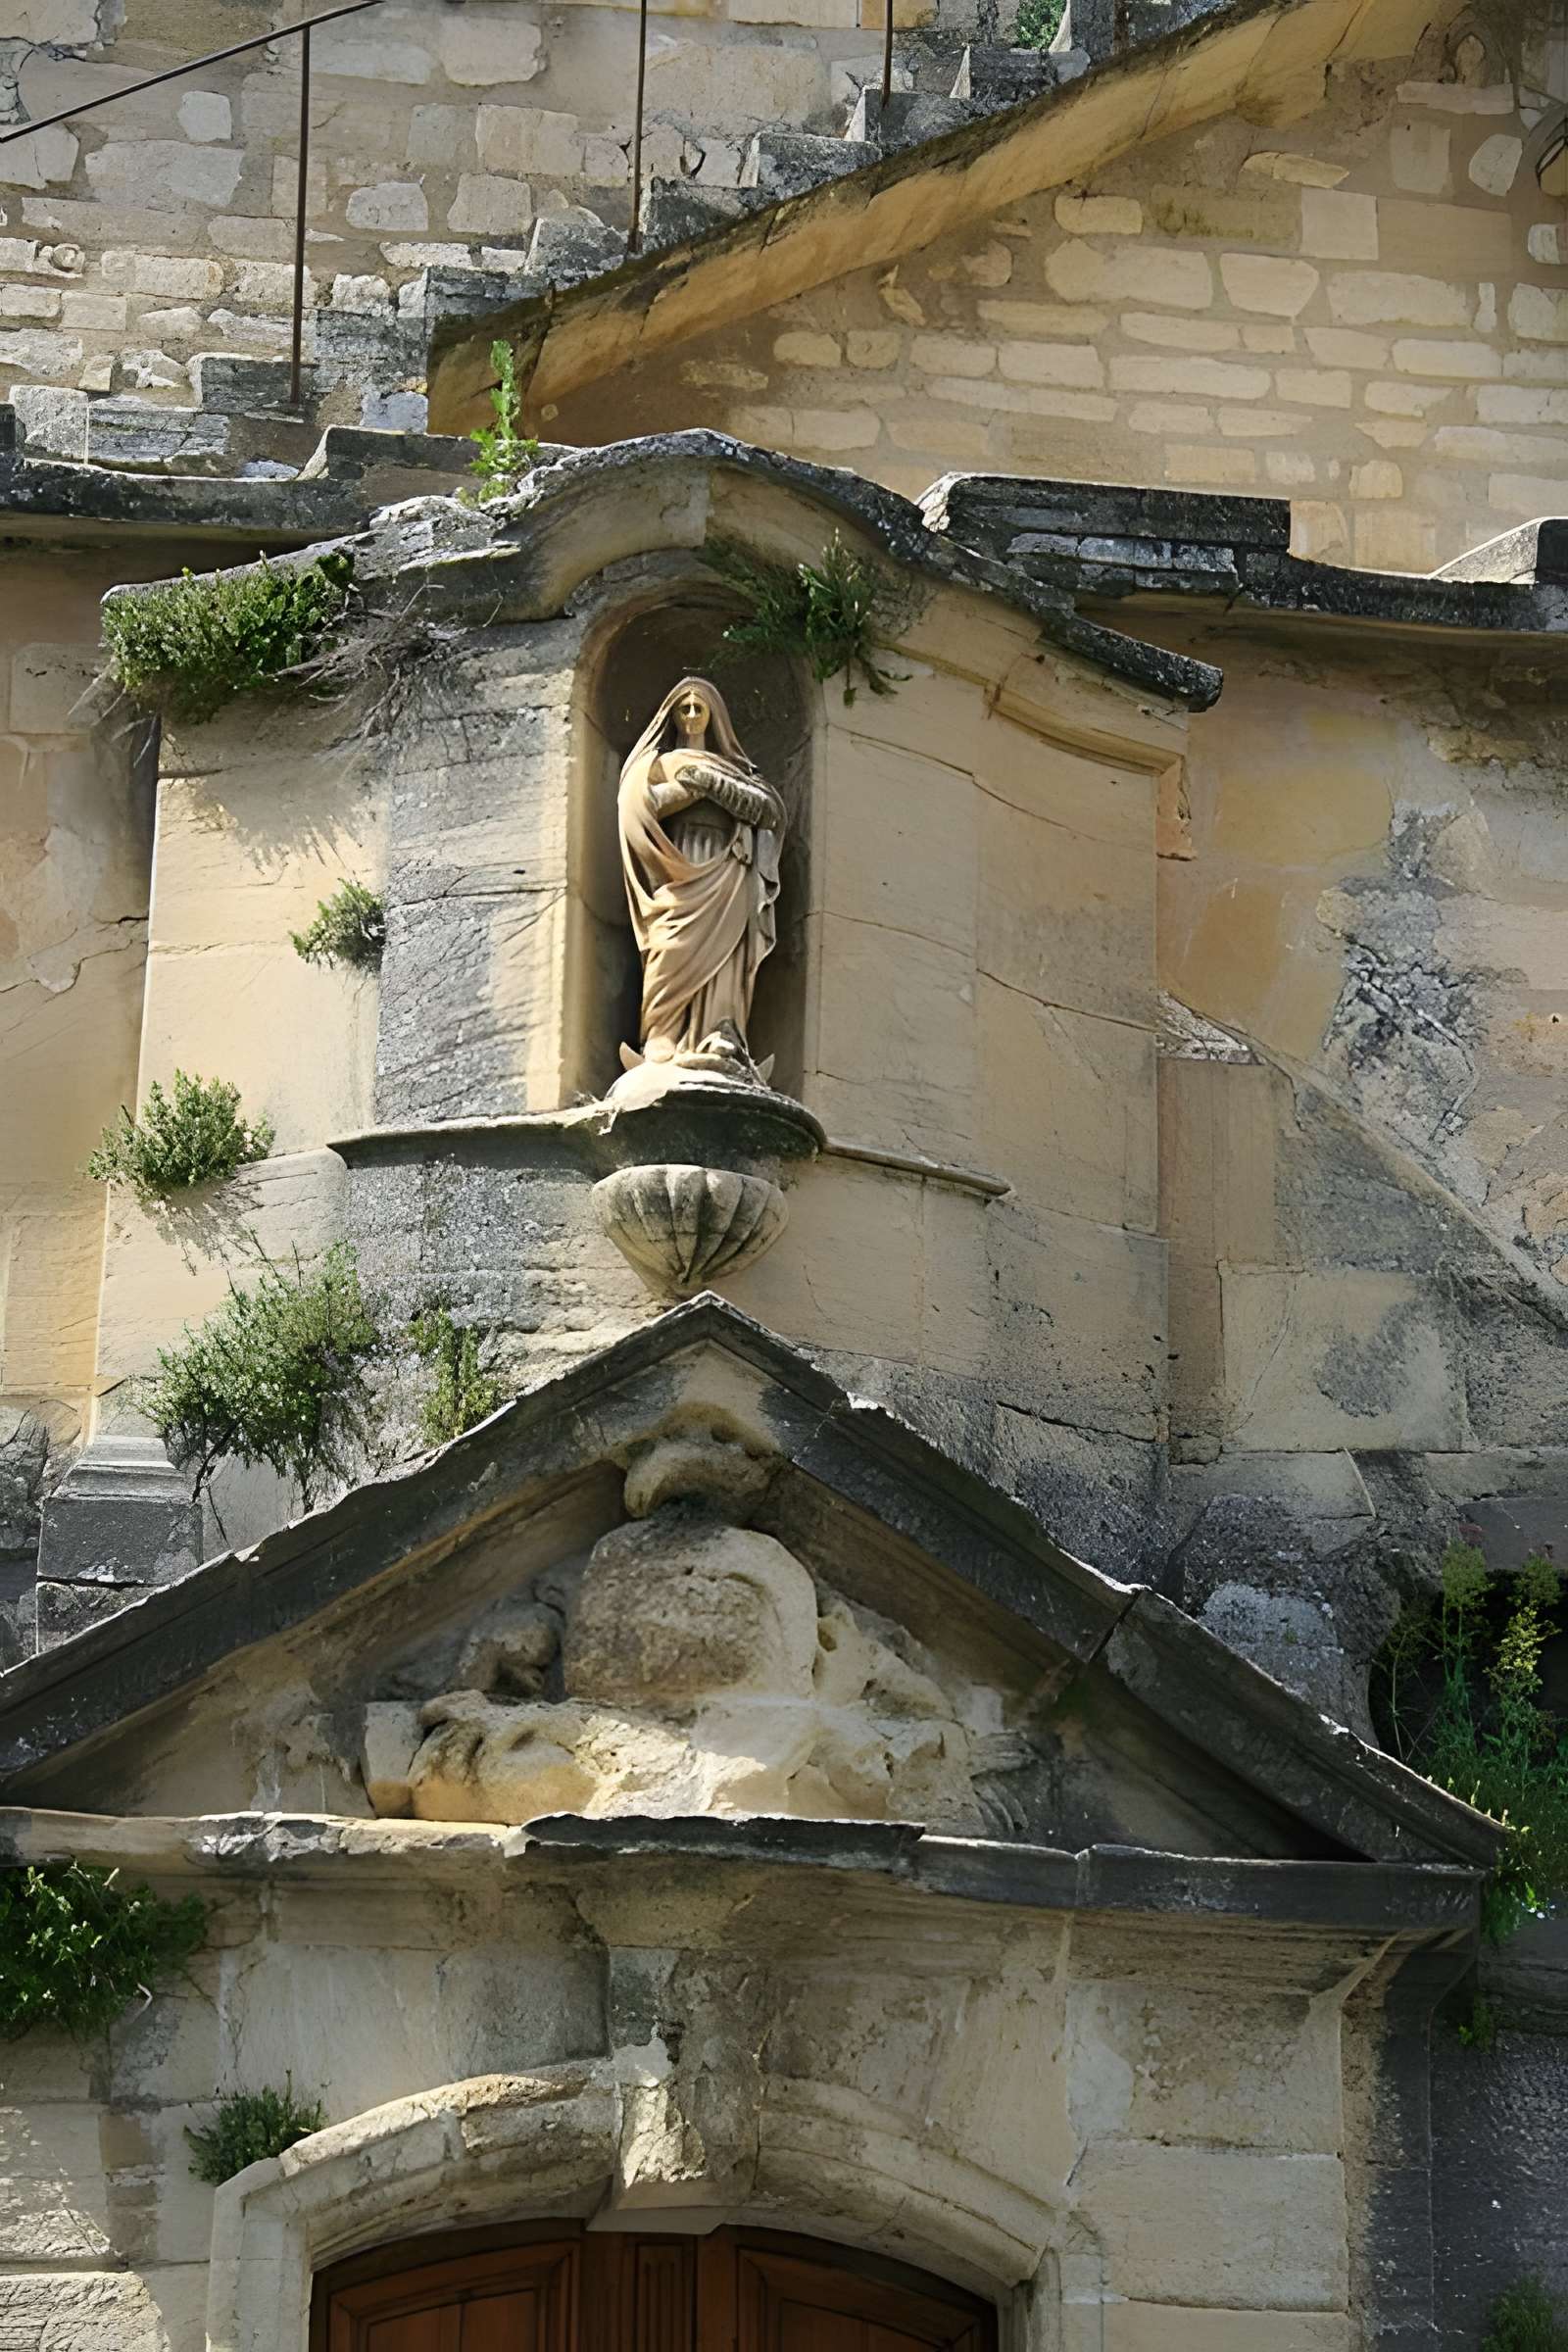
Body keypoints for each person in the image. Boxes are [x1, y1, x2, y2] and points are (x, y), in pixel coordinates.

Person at [615, 675, 786, 1081]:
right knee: (670, 943)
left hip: (728, 867)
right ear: (672, 717)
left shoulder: (735, 770)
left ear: (714, 717)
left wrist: (712, 782)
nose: (692, 716)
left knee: (727, 955)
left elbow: (769, 810)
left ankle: (719, 1031)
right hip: (679, 862)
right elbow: (641, 808)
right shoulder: (659, 764)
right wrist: (693, 787)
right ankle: (662, 1033)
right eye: (684, 709)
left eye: (699, 708)